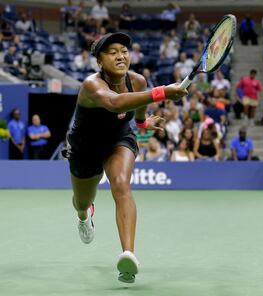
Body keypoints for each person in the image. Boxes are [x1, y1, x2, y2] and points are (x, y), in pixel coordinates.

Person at [62, 32, 187, 283]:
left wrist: (141, 124)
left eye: (124, 50)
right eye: (112, 52)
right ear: (99, 61)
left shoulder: (138, 81)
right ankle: (84, 216)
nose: (120, 55)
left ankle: (128, 254)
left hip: (119, 139)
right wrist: (162, 92)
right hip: (85, 147)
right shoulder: (91, 85)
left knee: (121, 183)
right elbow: (116, 103)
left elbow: (137, 109)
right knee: (82, 201)